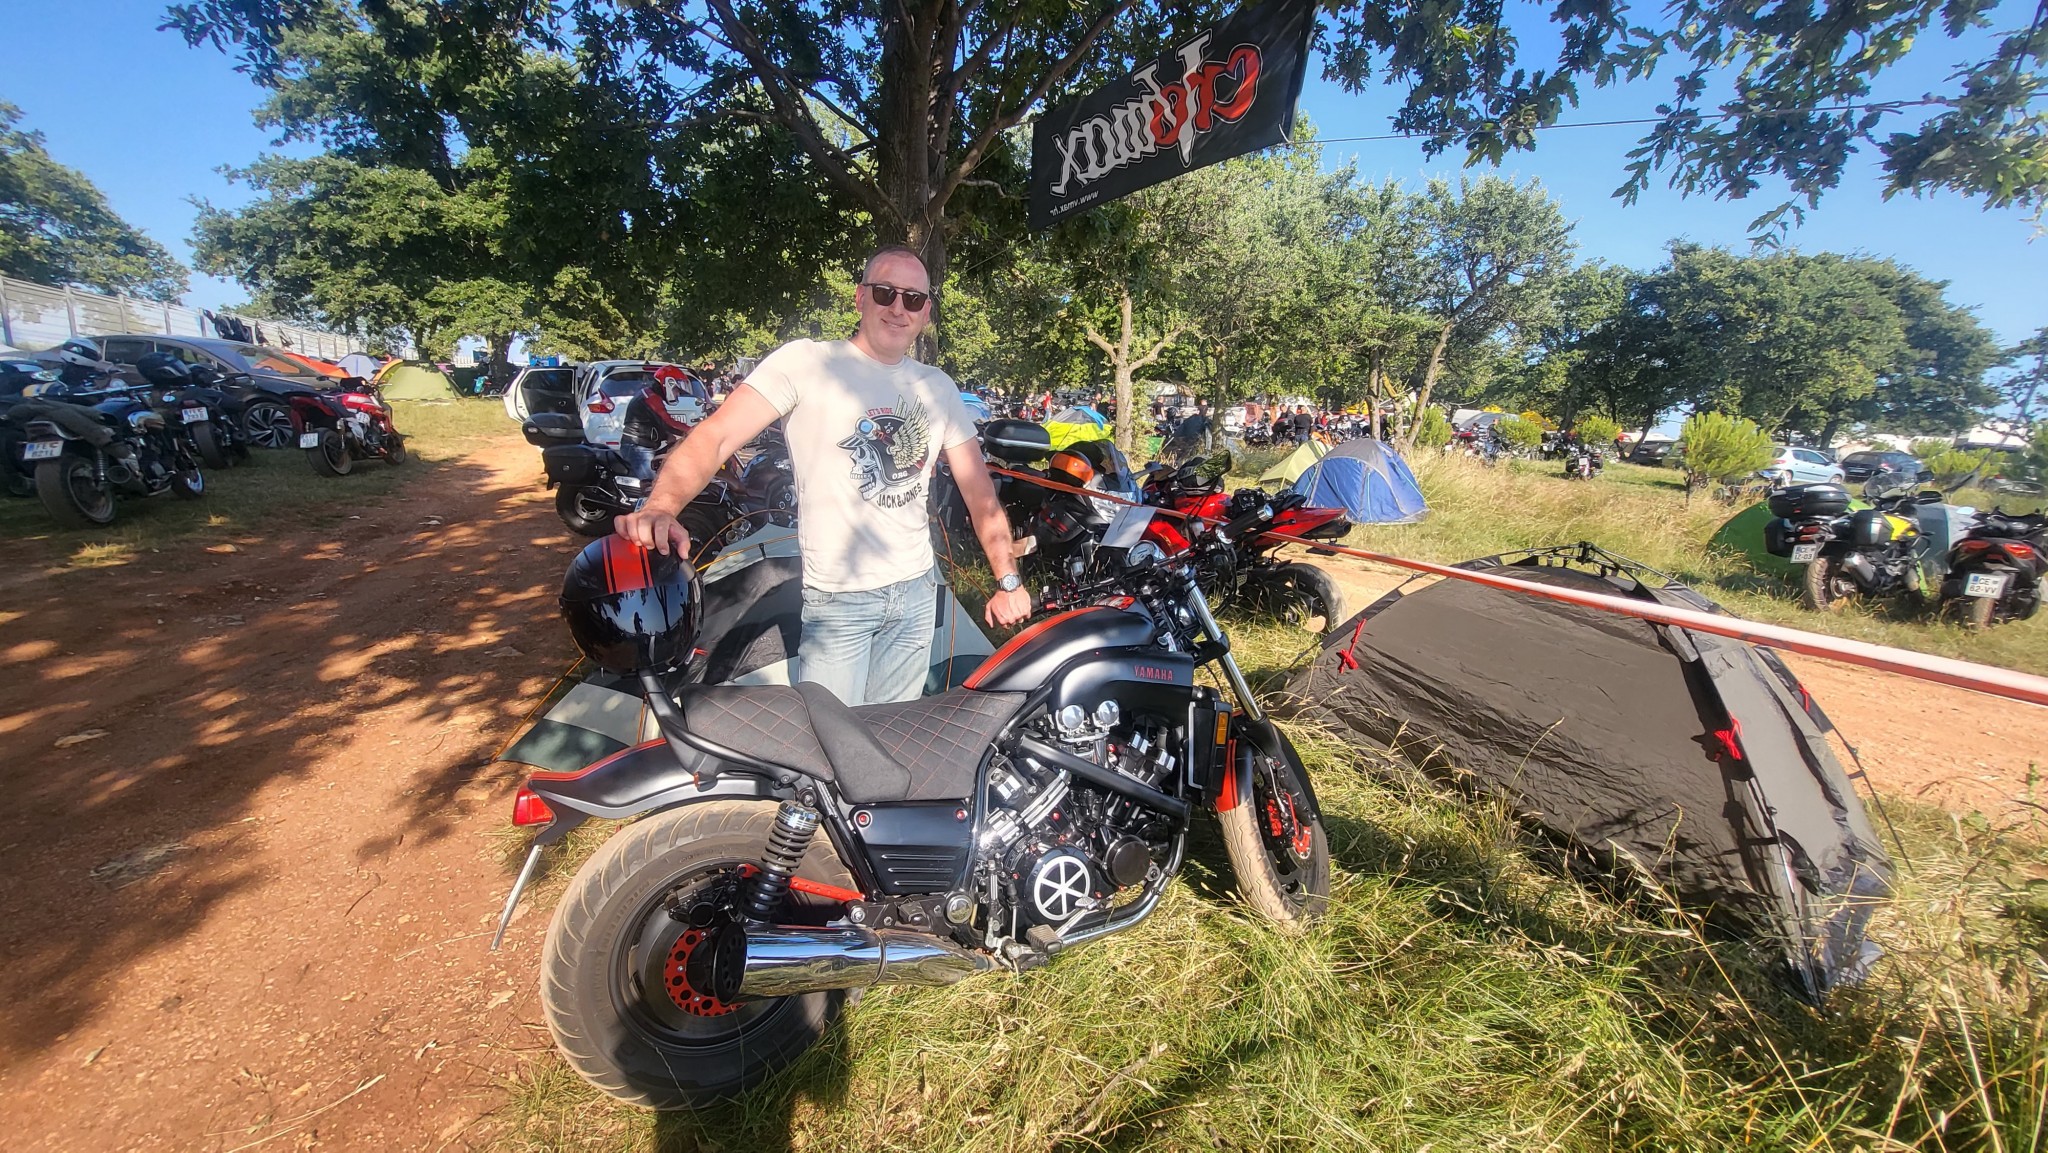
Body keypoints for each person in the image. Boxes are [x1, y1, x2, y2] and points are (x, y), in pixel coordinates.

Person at [614, 245, 1032, 706]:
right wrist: (661, 507)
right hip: (839, 602)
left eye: (913, 299)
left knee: (891, 734)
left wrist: (1007, 581)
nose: (898, 308)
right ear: (860, 297)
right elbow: (715, 437)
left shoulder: (938, 388)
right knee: (830, 737)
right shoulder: (807, 364)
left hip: (916, 594)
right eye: (885, 292)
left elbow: (980, 494)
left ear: (926, 312)